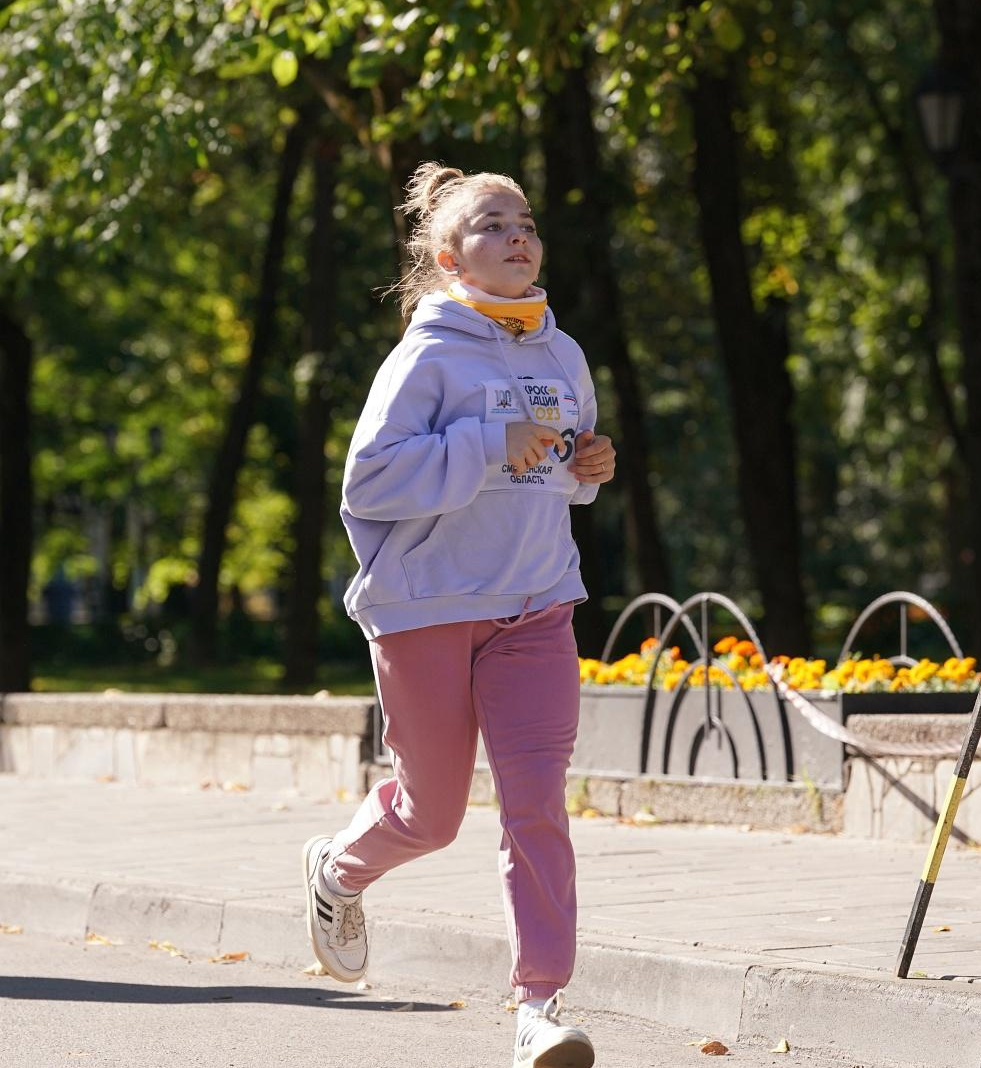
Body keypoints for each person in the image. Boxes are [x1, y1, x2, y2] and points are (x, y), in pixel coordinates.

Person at [302, 162, 615, 1068]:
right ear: (449, 258)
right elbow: (367, 480)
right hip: (427, 606)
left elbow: (558, 468)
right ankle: (339, 871)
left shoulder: (561, 351)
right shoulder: (426, 355)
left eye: (523, 221)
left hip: (536, 602)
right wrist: (484, 442)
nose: (516, 235)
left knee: (536, 807)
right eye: (489, 225)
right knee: (431, 815)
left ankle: (539, 1008)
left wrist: (589, 464)